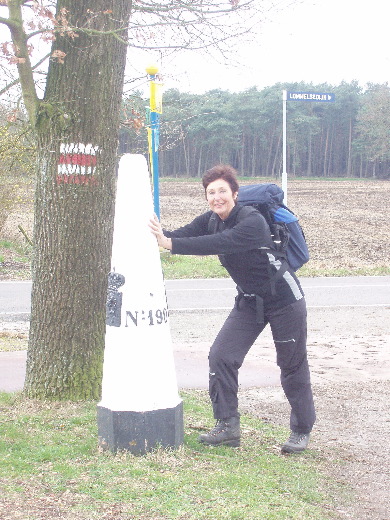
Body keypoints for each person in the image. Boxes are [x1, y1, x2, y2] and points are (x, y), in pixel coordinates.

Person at [149, 164, 316, 454]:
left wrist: (171, 243)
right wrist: (155, 234)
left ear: (235, 194)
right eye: (210, 192)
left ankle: (301, 430)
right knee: (221, 355)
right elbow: (184, 233)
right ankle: (228, 427)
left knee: (291, 366)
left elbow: (218, 243)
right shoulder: (211, 219)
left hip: (285, 300)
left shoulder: (252, 221)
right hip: (250, 301)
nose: (217, 197)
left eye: (222, 191)